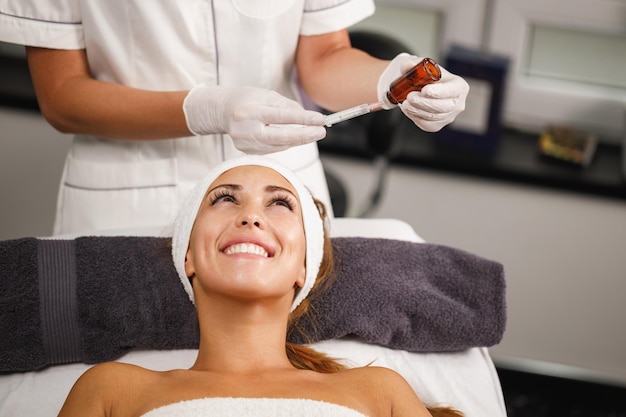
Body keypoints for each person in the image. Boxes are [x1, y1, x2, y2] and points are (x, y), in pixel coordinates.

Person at [0, 1, 469, 236]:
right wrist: (206, 110)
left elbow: (324, 57)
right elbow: (61, 96)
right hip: (130, 194)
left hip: (281, 178)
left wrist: (390, 78)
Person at [55, 155, 463, 417]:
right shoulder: (111, 390)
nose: (251, 216)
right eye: (224, 199)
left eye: (280, 203)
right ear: (189, 257)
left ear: (305, 267)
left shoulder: (379, 391)